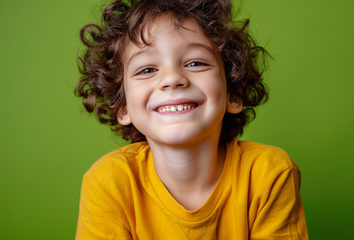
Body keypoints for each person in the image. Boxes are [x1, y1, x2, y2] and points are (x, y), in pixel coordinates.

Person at [74, 0, 308, 239]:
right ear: (122, 106)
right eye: (146, 70)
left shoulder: (269, 174)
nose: (173, 78)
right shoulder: (108, 183)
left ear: (233, 93)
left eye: (195, 63)